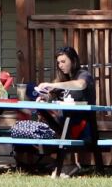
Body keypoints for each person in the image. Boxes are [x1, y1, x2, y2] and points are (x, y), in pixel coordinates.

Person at [35, 46, 99, 176]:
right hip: (64, 125)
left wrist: (54, 85)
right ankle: (66, 164)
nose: (60, 65)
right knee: (38, 128)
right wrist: (44, 97)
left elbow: (81, 85)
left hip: (83, 127)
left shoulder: (83, 74)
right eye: (59, 62)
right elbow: (52, 96)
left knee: (57, 127)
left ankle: (67, 165)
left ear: (73, 60)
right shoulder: (61, 80)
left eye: (63, 61)